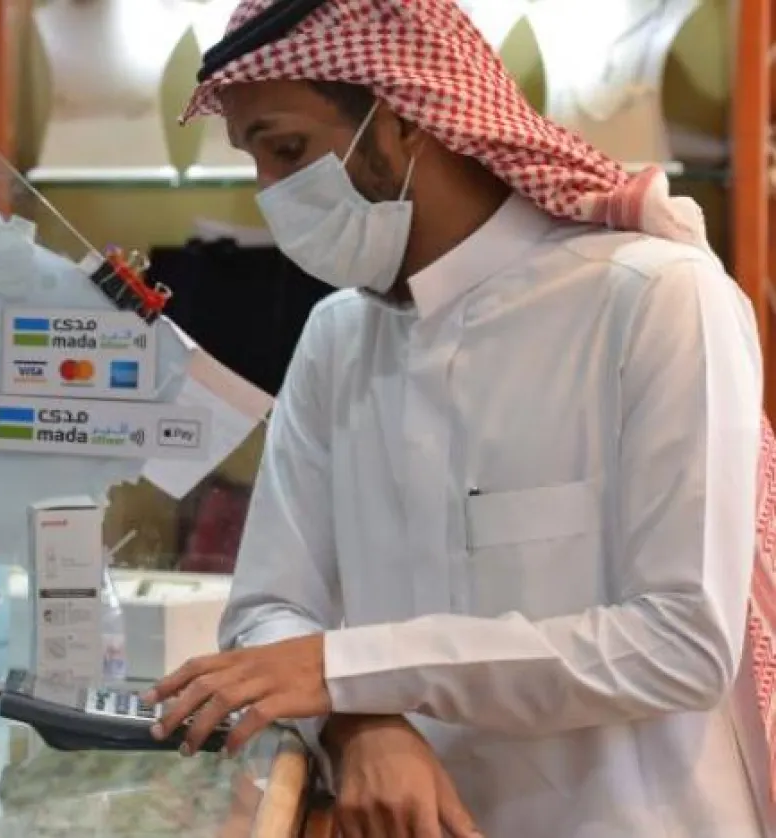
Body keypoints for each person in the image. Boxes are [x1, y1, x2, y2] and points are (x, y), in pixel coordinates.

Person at [142, 1, 776, 836]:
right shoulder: (337, 339)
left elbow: (680, 644)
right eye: (255, 159)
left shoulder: (654, 301)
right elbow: (268, 611)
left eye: (287, 149)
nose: (268, 192)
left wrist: (349, 671)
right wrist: (362, 721)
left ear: (404, 122)